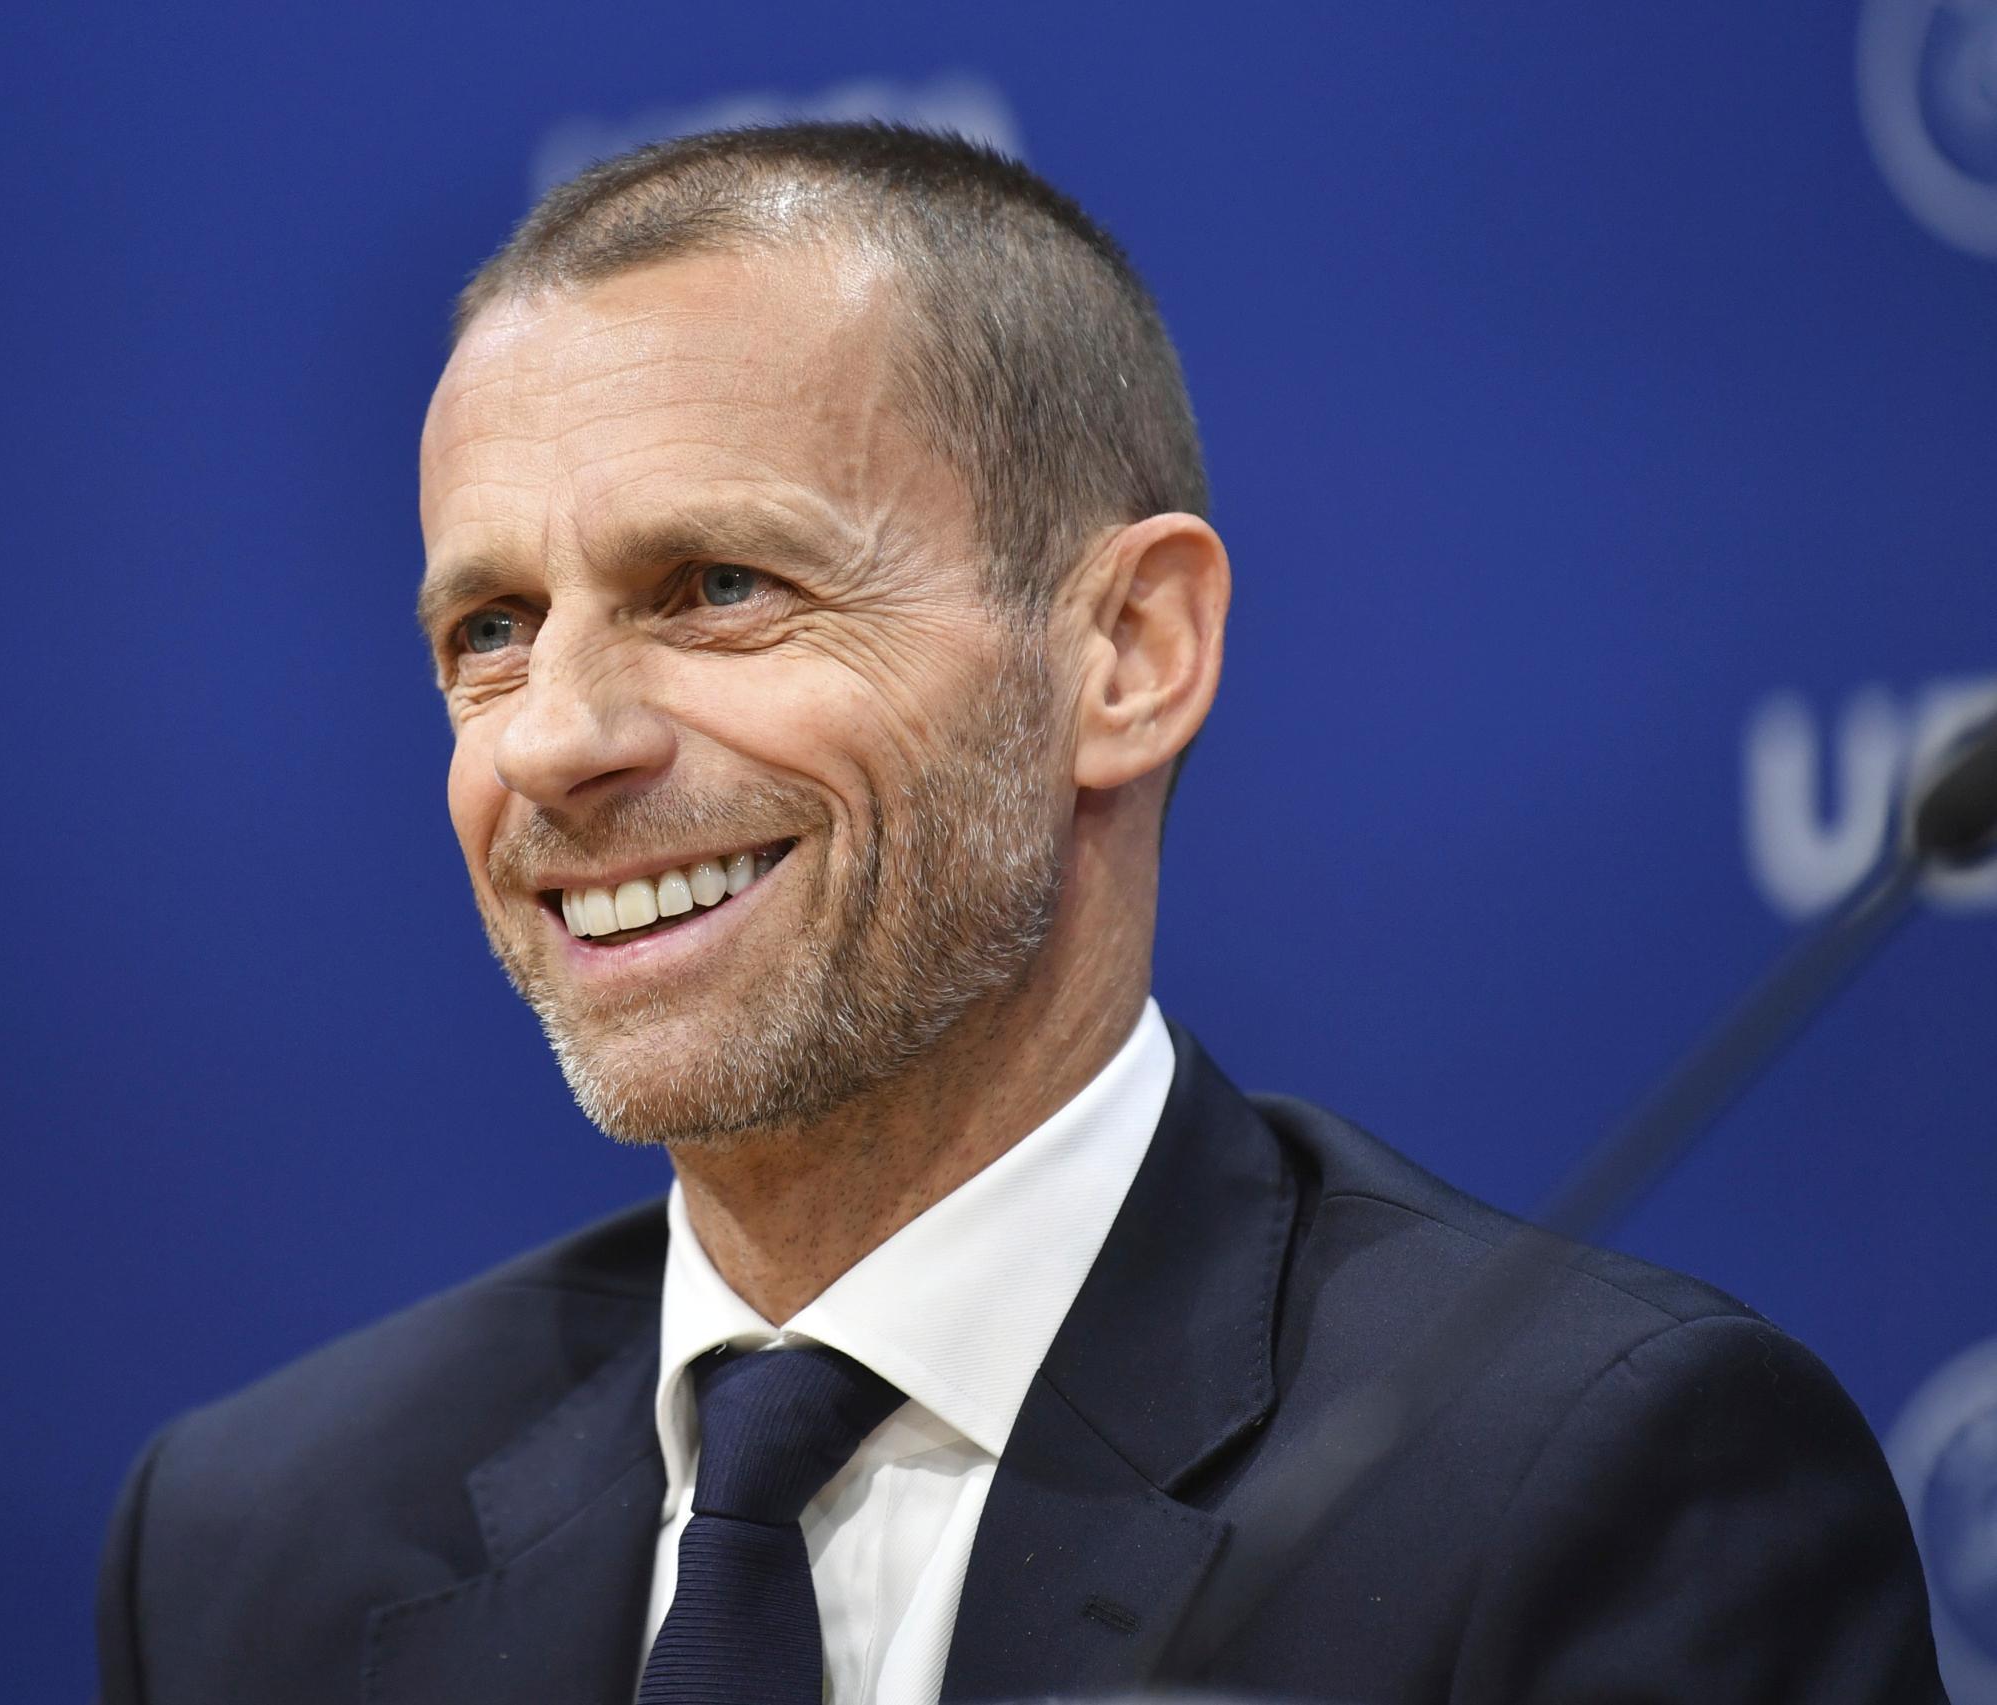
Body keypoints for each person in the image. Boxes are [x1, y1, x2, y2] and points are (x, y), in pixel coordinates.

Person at [93, 123, 1944, 1704]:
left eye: (720, 584)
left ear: (1126, 654)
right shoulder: (255, 1546)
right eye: (487, 632)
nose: (555, 742)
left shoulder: (1584, 1484)